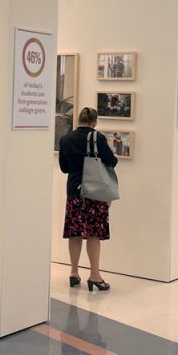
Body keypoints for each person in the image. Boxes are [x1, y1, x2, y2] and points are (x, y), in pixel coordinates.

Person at [58, 107, 119, 292]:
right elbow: (112, 161)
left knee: (74, 233)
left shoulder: (66, 139)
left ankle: (74, 273)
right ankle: (95, 275)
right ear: (94, 122)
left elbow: (64, 167)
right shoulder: (97, 138)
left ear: (78, 120)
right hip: (94, 192)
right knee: (93, 234)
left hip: (74, 191)